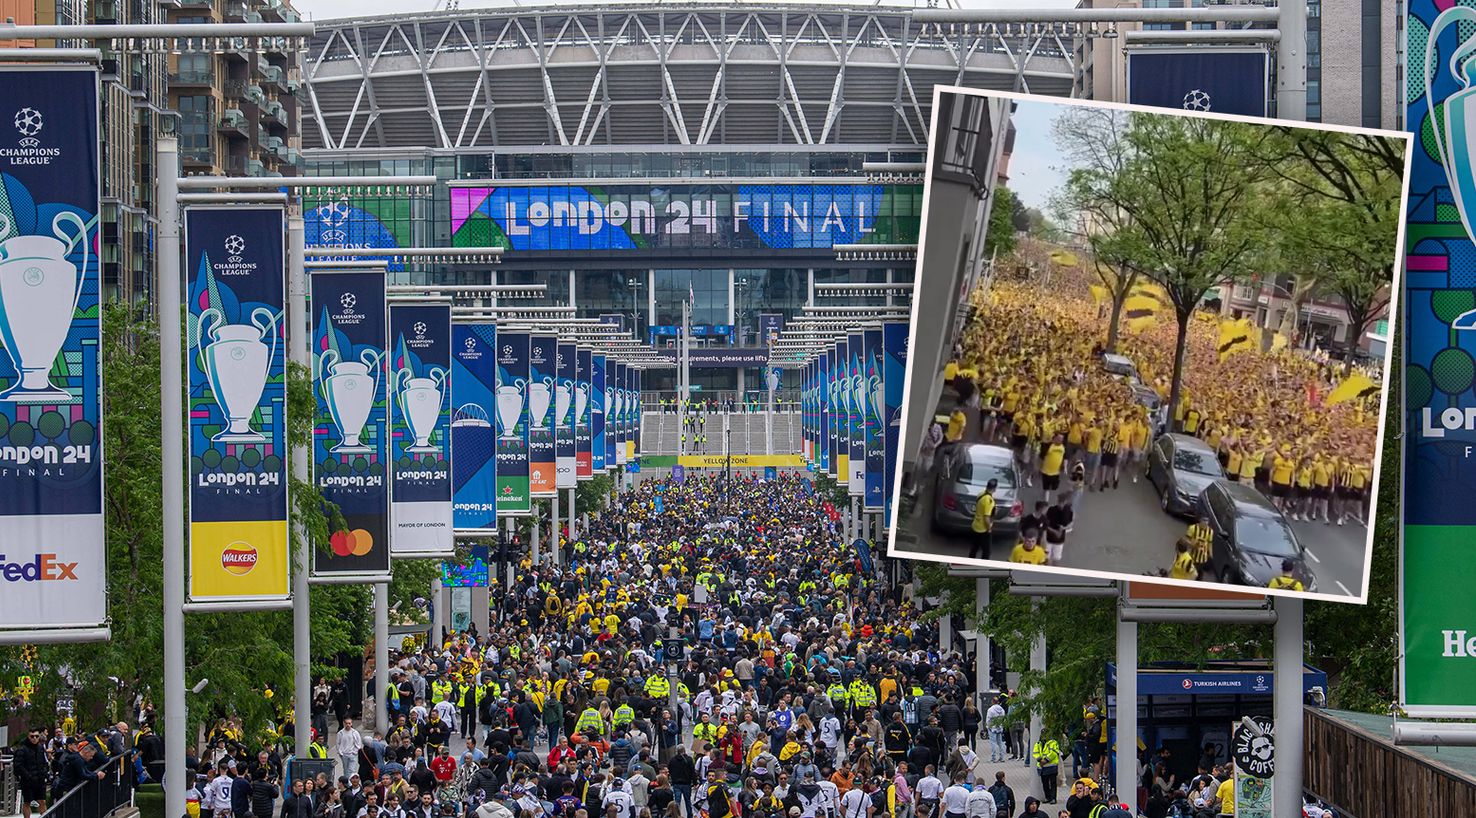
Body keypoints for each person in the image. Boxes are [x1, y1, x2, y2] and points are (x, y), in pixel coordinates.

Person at [13, 727, 50, 818]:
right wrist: (27, 775)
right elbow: (18, 766)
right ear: (28, 737)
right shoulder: (22, 750)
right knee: (27, 802)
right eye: (32, 736)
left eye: (36, 736)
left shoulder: (40, 748)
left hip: (40, 779)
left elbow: (44, 762)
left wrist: (44, 773)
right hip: (28, 780)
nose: (34, 738)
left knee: (42, 801)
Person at [970, 479, 998, 560]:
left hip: (975, 525)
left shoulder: (981, 494)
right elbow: (986, 517)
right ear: (994, 488)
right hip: (983, 529)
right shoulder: (989, 501)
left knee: (974, 548)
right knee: (986, 551)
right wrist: (989, 529)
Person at [1032, 734, 1061, 804]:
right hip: (1042, 767)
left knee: (1053, 783)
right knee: (1045, 783)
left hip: (1051, 766)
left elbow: (1054, 752)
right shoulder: (1038, 744)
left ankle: (1053, 798)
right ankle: (1048, 797)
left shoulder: (1053, 743)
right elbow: (1035, 752)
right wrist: (1040, 760)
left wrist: (1046, 760)